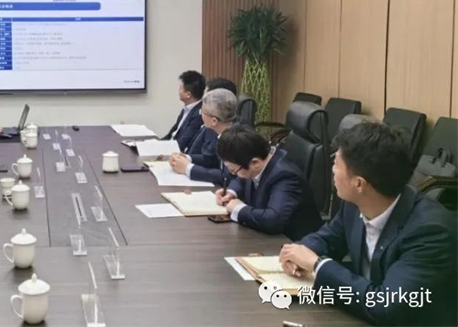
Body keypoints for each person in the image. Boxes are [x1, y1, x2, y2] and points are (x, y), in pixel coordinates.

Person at [280, 122, 457, 326]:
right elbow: (328, 238)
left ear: (359, 183)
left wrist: (317, 265)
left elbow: (386, 306)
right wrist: (300, 253)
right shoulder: (355, 204)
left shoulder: (430, 232)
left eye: (336, 164)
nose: (332, 170)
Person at [214, 125, 323, 240]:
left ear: (255, 163)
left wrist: (239, 209)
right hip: (263, 236)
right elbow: (241, 179)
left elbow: (273, 220)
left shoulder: (285, 176)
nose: (234, 174)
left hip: (291, 242)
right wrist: (231, 192)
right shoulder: (255, 158)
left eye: (233, 170)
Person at [169, 88, 238, 185]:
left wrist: (188, 168)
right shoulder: (219, 131)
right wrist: (187, 158)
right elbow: (213, 159)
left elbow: (226, 177)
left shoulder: (235, 141)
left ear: (214, 121)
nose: (200, 114)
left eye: (202, 112)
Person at [162, 70, 205, 153]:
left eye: (180, 88)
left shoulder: (199, 115)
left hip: (177, 153)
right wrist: (156, 144)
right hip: (170, 147)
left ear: (188, 94)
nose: (178, 91)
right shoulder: (186, 109)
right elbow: (172, 133)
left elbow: (183, 143)